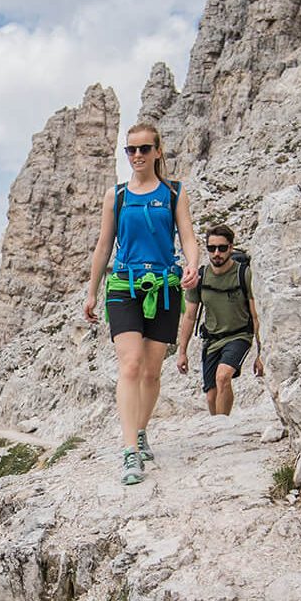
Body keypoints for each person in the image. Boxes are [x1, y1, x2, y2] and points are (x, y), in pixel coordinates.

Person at [83, 122, 201, 485]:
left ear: (158, 151)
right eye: (130, 150)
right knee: (130, 365)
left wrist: (193, 265)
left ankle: (142, 429)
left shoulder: (174, 193)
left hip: (165, 287)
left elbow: (188, 237)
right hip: (123, 286)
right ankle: (130, 451)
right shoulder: (115, 197)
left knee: (152, 371)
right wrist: (91, 291)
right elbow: (104, 246)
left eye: (144, 149)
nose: (137, 156)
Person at [178, 224, 263, 415]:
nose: (217, 253)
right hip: (211, 340)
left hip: (239, 335)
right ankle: (218, 423)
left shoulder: (244, 274)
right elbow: (189, 316)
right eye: (212, 248)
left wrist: (261, 353)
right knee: (210, 396)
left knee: (223, 377)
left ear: (231, 248)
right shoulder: (199, 277)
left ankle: (222, 424)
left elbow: (256, 315)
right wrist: (182, 351)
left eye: (222, 248)